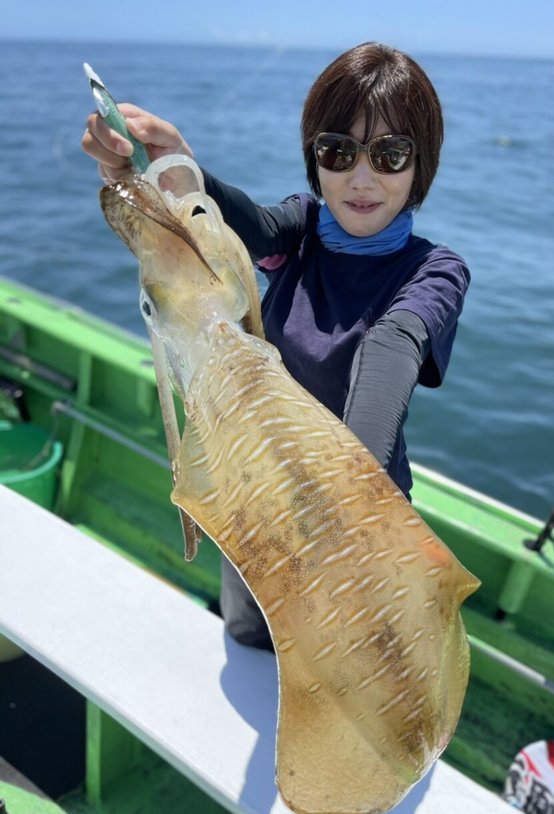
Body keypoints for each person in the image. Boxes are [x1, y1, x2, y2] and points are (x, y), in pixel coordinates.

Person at [82, 42, 470, 650]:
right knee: (247, 633)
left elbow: (390, 347)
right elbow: (245, 228)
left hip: (359, 518)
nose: (361, 178)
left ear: (423, 165)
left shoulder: (435, 272)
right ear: (315, 158)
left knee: (343, 663)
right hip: (260, 497)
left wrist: (345, 498)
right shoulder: (301, 230)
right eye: (338, 151)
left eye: (391, 153)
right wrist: (173, 170)